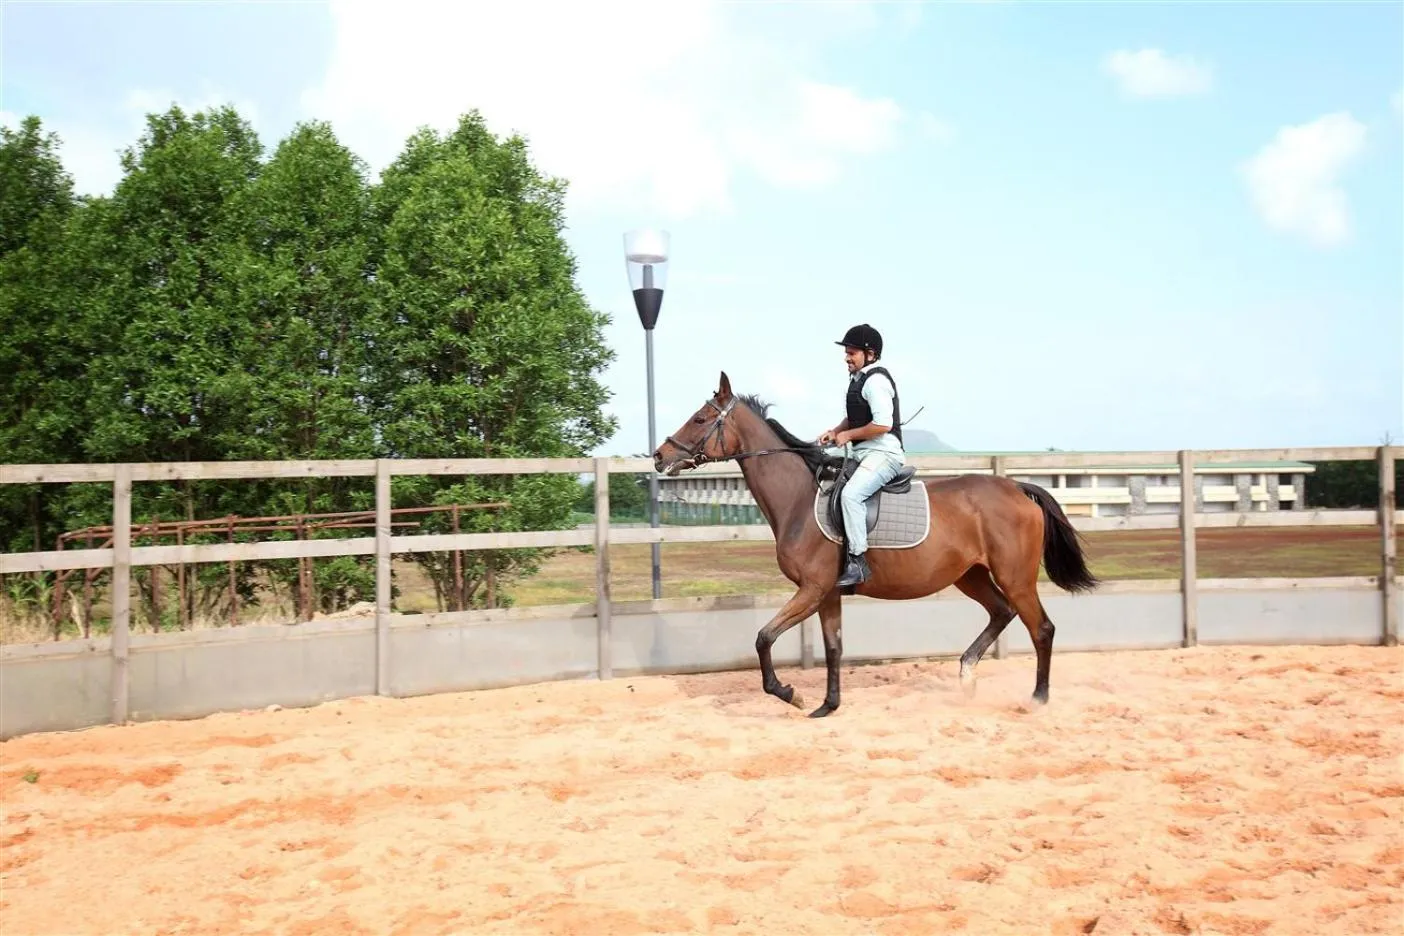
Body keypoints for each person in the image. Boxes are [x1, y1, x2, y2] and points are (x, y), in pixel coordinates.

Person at [818, 323, 906, 587]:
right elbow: (855, 417)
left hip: (884, 455)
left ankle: (857, 561)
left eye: (852, 352)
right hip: (865, 452)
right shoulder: (859, 380)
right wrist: (835, 431)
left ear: (870, 354)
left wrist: (849, 436)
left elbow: (882, 425)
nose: (847, 357)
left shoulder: (876, 382)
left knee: (851, 495)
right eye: (847, 352)